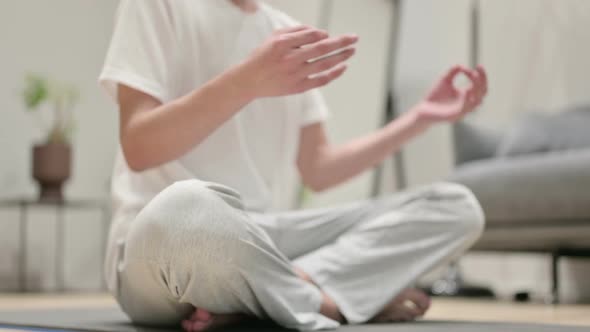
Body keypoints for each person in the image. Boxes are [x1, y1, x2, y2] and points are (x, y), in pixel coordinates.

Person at [99, 0, 488, 331]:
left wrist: (420, 117)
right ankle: (326, 301)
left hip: (263, 240)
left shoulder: (286, 34)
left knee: (456, 206)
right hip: (166, 246)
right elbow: (139, 145)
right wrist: (246, 81)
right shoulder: (157, 4)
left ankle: (268, 297)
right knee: (189, 207)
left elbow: (319, 168)